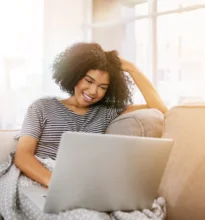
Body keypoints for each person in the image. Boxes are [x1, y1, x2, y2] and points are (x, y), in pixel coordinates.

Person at [14, 42, 168, 188]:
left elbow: (160, 110)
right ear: (75, 75)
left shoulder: (106, 112)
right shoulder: (42, 106)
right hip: (39, 179)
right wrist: (55, 184)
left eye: (102, 87)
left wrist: (132, 68)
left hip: (79, 184)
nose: (93, 91)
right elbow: (23, 156)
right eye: (88, 80)